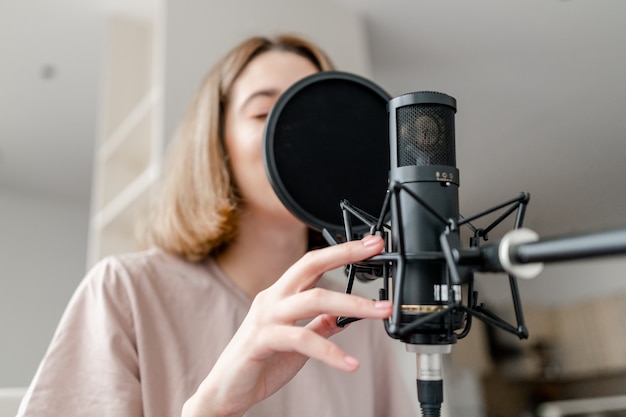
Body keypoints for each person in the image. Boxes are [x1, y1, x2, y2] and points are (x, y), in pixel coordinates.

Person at [17, 34, 414, 417]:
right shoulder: (126, 293)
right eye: (263, 113)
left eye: (316, 116)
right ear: (217, 142)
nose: (298, 134)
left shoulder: (358, 319)